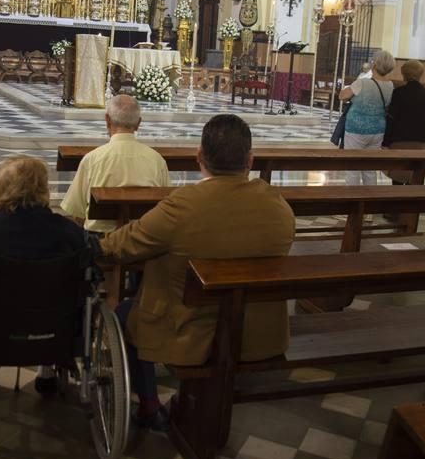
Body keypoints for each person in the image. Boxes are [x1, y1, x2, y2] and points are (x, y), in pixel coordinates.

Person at [98, 114, 295, 431]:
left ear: (199, 157)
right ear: (250, 160)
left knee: (123, 313)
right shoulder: (278, 205)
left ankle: (150, 405)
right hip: (257, 333)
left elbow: (118, 247)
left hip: (192, 335)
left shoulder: (183, 206)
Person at [0, 155, 85, 395]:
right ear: (43, 188)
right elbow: (88, 251)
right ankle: (47, 368)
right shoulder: (65, 230)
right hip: (55, 325)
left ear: (1, 188)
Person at [61, 94, 170, 233]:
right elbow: (165, 208)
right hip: (142, 241)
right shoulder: (157, 161)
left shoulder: (92, 160)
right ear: (138, 123)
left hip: (100, 242)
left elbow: (77, 211)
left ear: (107, 120)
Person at [339, 49, 395, 186]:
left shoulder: (362, 83)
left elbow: (343, 96)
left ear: (374, 65)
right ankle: (369, 201)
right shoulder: (390, 85)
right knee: (370, 168)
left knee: (352, 168)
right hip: (378, 130)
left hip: (356, 130)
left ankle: (352, 202)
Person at [382, 59, 425, 183]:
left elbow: (392, 118)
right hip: (419, 139)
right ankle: (409, 199)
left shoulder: (399, 92)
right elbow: (424, 116)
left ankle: (396, 199)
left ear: (405, 74)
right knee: (413, 172)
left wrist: (385, 142)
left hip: (400, 138)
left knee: (398, 173)